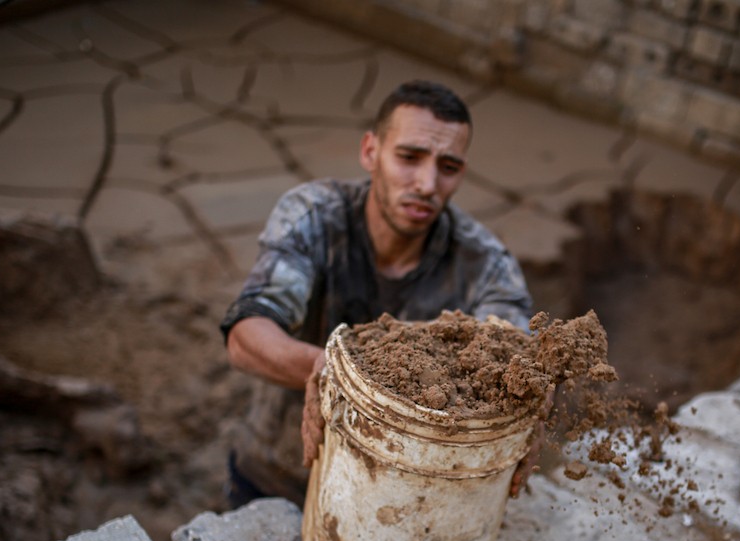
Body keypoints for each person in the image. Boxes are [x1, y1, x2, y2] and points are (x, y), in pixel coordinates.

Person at [220, 79, 535, 509]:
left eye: (448, 167)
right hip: (278, 472)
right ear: (371, 151)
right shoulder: (315, 216)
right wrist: (330, 372)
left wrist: (532, 404)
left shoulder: (484, 263)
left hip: (396, 499)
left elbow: (514, 355)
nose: (427, 184)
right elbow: (246, 335)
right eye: (409, 158)